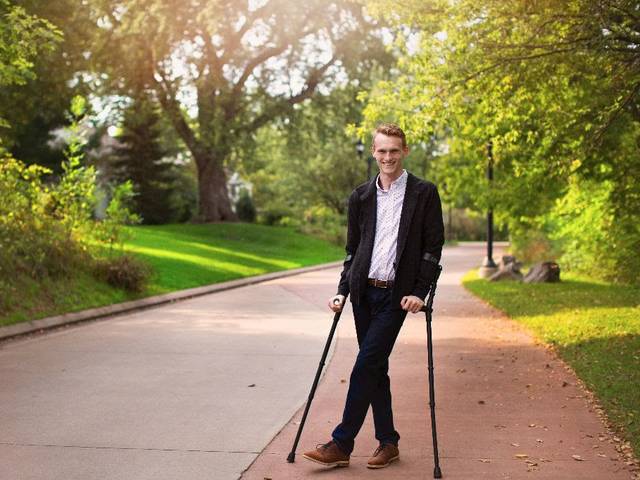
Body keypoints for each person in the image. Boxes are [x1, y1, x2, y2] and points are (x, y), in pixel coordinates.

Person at [302, 123, 444, 469]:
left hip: (397, 297)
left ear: (405, 152)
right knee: (375, 367)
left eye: (394, 150)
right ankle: (388, 442)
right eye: (382, 150)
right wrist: (341, 291)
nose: (388, 157)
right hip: (363, 293)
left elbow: (432, 247)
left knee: (365, 364)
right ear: (373, 152)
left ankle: (341, 443)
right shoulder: (360, 197)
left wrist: (419, 292)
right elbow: (352, 250)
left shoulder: (423, 193)